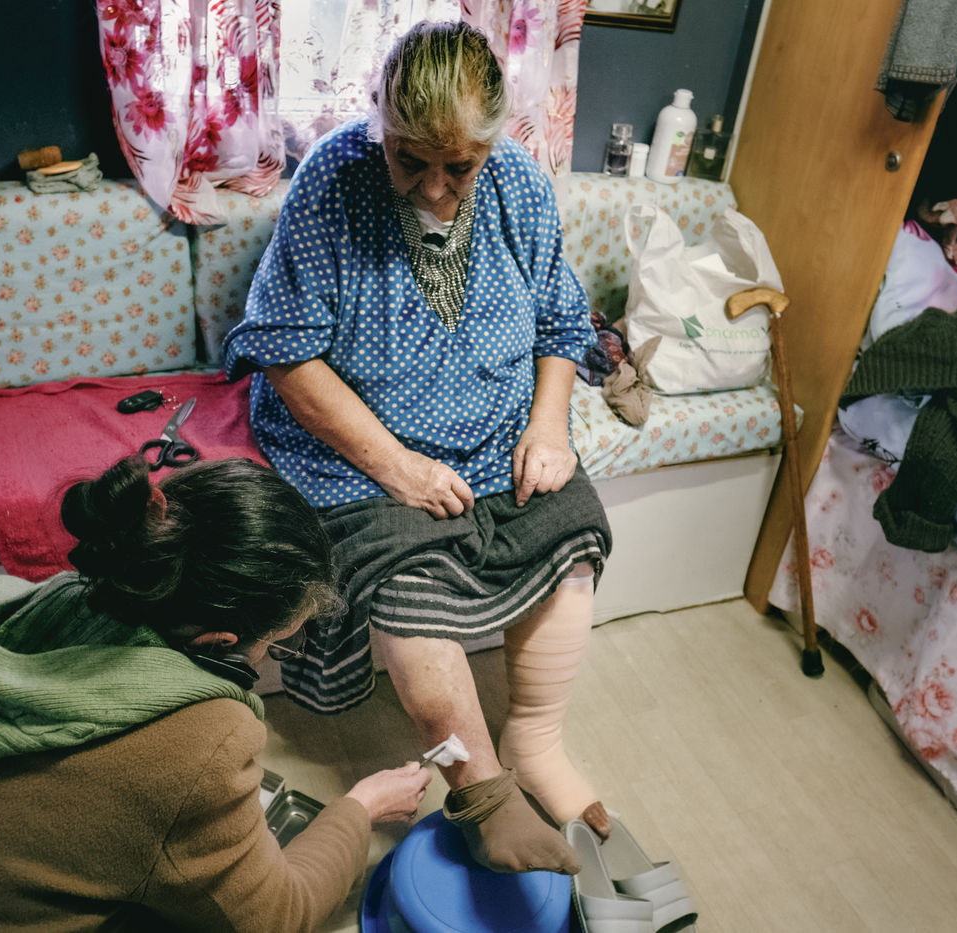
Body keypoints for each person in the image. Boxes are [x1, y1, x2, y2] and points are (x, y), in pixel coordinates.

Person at [223, 20, 612, 876]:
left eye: (458, 168)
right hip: (359, 445)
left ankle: (536, 739)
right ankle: (485, 794)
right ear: (380, 121)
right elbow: (285, 352)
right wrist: (396, 467)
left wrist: (549, 426)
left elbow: (560, 322)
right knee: (406, 579)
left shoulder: (519, 181)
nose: (435, 189)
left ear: (491, 146)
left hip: (496, 430)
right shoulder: (333, 180)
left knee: (569, 529)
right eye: (411, 160)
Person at [0, 456, 432, 933]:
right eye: (275, 644)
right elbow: (277, 916)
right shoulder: (203, 744)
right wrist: (361, 808)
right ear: (217, 640)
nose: (271, 652)